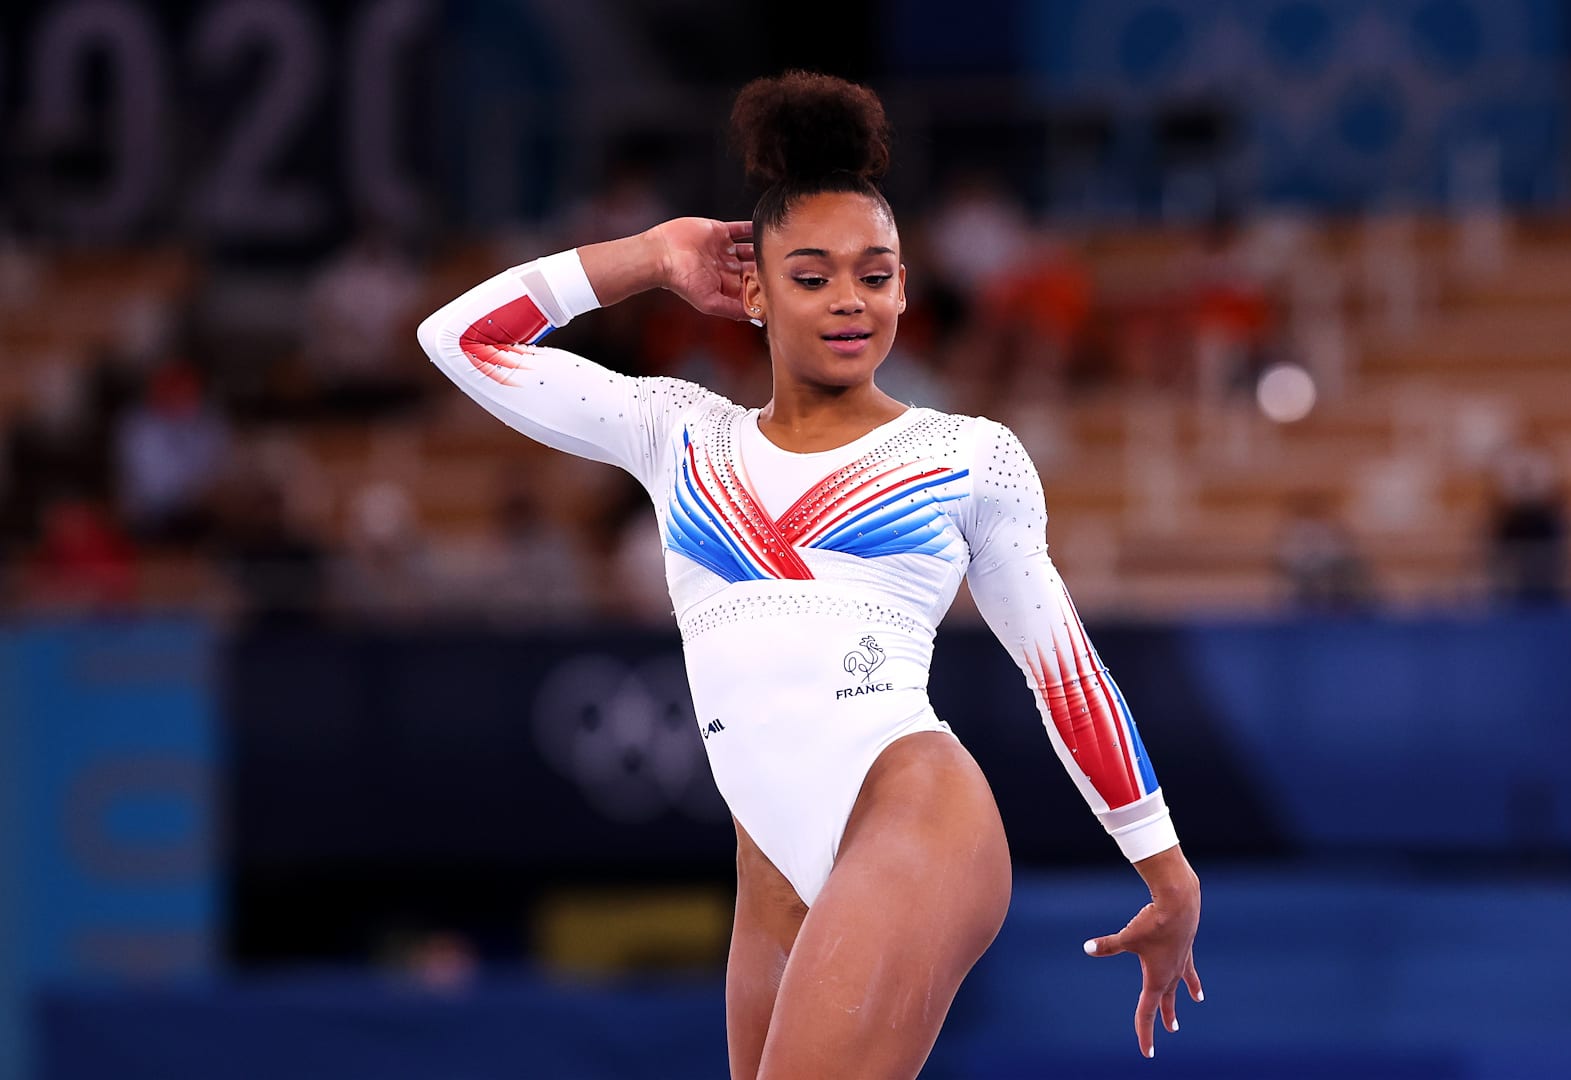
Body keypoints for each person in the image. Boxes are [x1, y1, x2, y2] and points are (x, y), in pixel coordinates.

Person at [416, 72, 1202, 1078]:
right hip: (774, 875)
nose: (848, 302)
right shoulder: (680, 434)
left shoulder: (966, 455)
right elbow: (460, 339)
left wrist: (1164, 869)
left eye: (874, 276)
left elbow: (1064, 672)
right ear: (751, 289)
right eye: (813, 274)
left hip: (916, 818)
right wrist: (652, 257)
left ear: (905, 289)